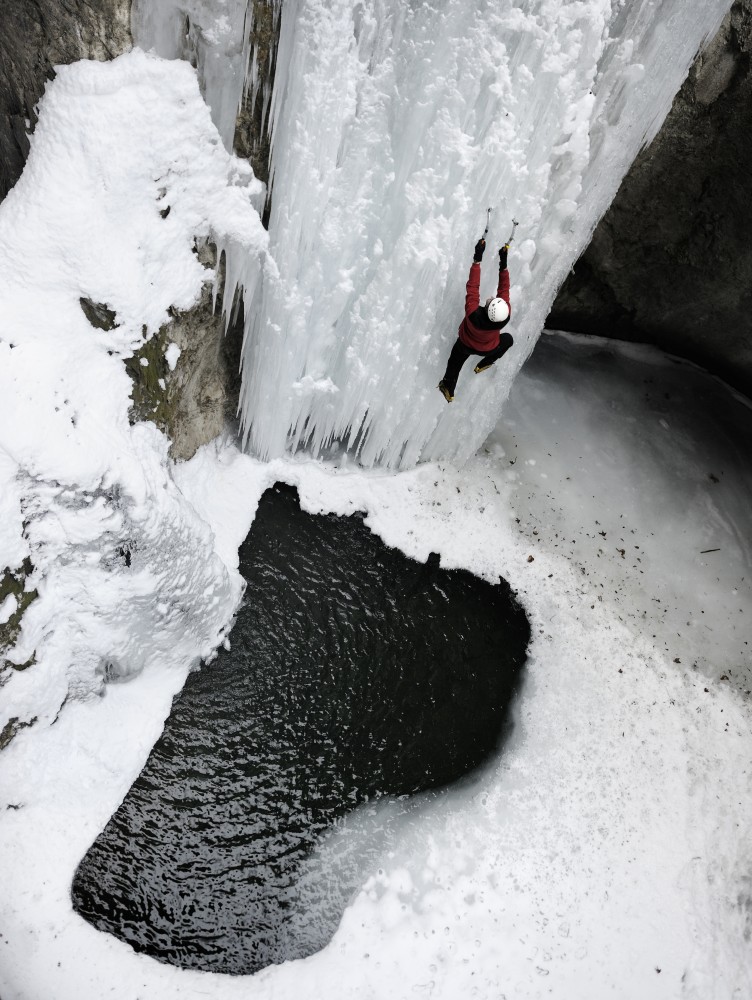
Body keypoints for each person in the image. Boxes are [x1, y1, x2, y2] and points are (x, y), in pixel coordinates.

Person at [438, 238, 513, 402]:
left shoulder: (473, 312)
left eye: (490, 302)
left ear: (488, 310)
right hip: (488, 349)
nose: (491, 298)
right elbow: (504, 289)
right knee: (507, 340)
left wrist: (477, 259)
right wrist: (503, 264)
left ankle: (448, 387)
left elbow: (473, 287)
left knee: (455, 363)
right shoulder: (504, 316)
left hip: (465, 344)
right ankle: (484, 363)